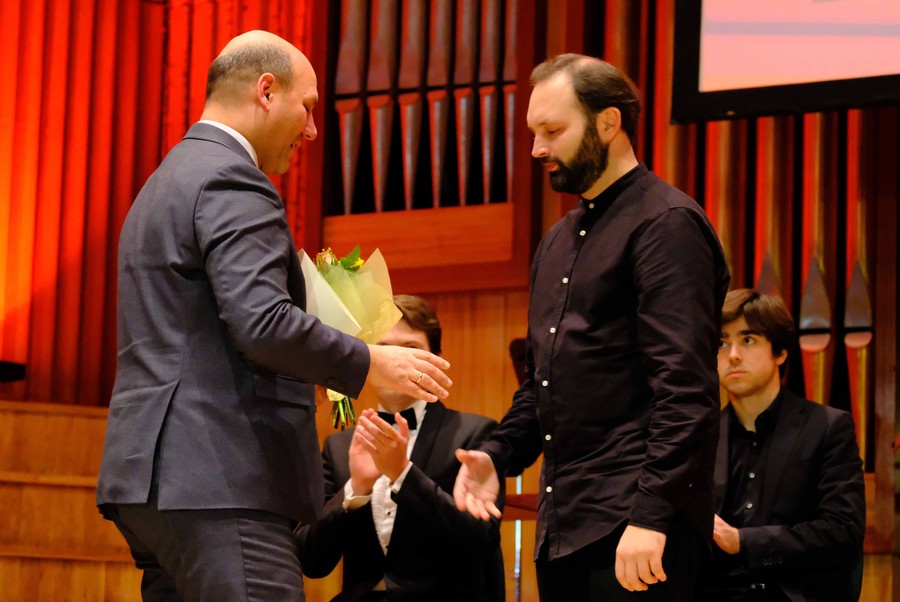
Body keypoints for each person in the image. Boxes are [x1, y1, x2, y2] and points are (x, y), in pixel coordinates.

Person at [96, 31, 452, 602]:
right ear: (266, 91)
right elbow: (261, 323)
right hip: (221, 481)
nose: (312, 129)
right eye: (307, 107)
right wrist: (369, 360)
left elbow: (203, 332)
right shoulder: (232, 177)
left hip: (151, 480)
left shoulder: (163, 182)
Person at [453, 53, 730, 601]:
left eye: (553, 131)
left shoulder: (665, 225)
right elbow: (542, 386)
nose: (537, 149)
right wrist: (497, 456)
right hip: (566, 524)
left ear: (608, 123)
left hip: (638, 526)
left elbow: (686, 392)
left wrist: (651, 516)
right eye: (534, 133)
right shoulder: (556, 241)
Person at [296, 294, 505, 602]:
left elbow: (480, 543)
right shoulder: (339, 446)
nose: (398, 361)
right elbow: (311, 561)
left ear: (435, 357)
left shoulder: (475, 434)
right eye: (383, 349)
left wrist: (403, 474)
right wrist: (356, 489)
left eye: (411, 348)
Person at [699, 289, 865, 602]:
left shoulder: (827, 427)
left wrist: (743, 542)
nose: (732, 355)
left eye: (748, 340)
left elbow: (842, 531)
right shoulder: (701, 436)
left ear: (780, 353)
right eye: (721, 343)